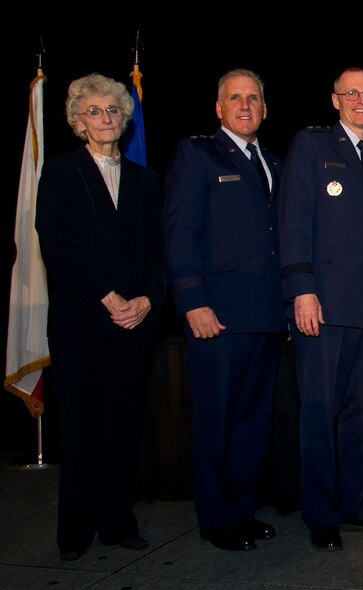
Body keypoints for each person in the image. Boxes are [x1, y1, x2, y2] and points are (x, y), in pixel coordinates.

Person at [278, 67, 363, 552]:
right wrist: (301, 290)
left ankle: (360, 507)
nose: (362, 99)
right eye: (352, 92)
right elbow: (293, 219)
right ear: (335, 99)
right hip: (325, 306)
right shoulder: (312, 146)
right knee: (320, 413)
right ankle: (322, 516)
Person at [35, 73, 165, 561]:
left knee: (123, 426)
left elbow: (158, 251)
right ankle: (76, 527)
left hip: (134, 325)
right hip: (82, 324)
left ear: (124, 119)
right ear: (76, 121)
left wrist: (148, 300)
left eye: (112, 111)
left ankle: (117, 520)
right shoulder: (61, 173)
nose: (105, 118)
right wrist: (107, 297)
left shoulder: (145, 180)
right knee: (82, 427)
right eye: (94, 111)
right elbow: (58, 247)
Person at [164, 68, 286, 551]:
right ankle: (216, 520)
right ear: (219, 109)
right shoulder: (196, 154)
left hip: (265, 317)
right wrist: (193, 301)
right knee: (216, 423)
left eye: (253, 98)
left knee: (252, 424)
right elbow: (179, 233)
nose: (245, 106)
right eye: (235, 98)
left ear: (264, 107)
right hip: (216, 317)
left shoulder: (273, 162)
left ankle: (242, 510)